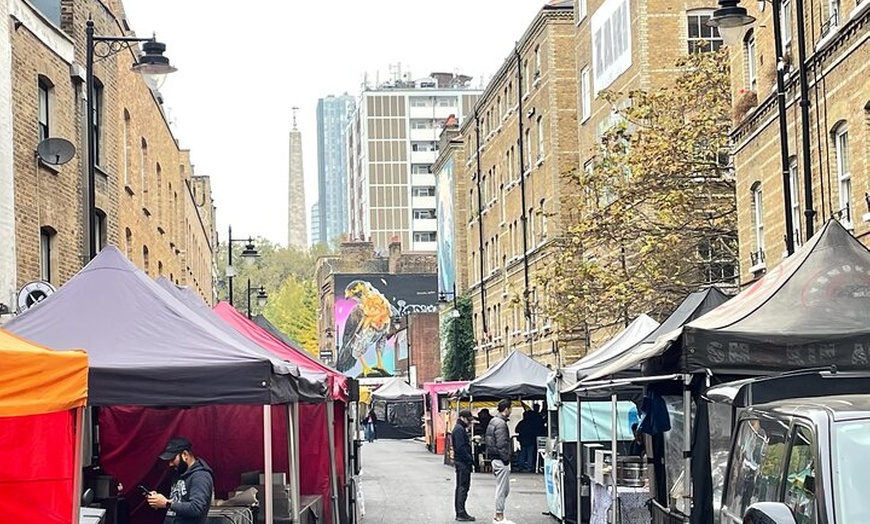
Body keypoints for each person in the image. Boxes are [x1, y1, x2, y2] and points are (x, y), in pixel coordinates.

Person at [146, 437, 214, 524]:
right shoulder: (178, 473)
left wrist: (166, 503)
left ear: (185, 455)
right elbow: (179, 502)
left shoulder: (200, 476)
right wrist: (159, 500)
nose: (170, 464)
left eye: (173, 459)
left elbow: (197, 508)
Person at [485, 399, 514, 524]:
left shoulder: (494, 421)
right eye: (511, 408)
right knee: (502, 489)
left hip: (494, 458)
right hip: (500, 459)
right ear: (506, 409)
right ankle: (499, 515)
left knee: (503, 488)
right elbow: (502, 444)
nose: (511, 411)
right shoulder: (501, 424)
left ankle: (499, 514)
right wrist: (506, 459)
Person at [451, 409, 476, 522]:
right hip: (462, 462)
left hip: (461, 462)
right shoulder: (459, 430)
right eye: (468, 420)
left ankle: (461, 511)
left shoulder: (459, 429)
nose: (469, 422)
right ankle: (460, 512)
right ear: (462, 418)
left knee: (462, 487)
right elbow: (461, 448)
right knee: (462, 487)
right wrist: (470, 459)